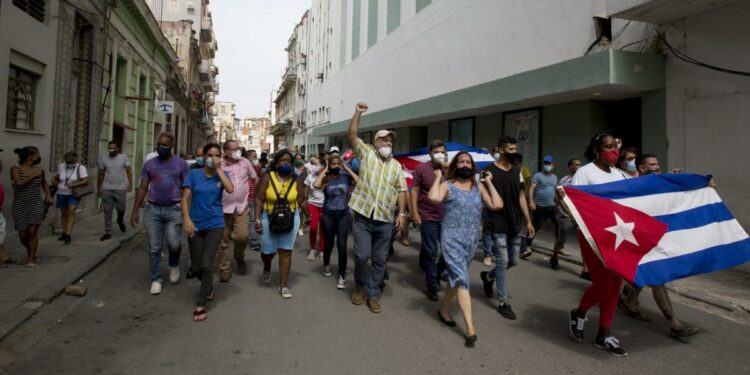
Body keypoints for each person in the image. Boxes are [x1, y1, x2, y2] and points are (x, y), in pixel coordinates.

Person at [617, 154, 699, 339]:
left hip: (655, 238)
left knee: (644, 272)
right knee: (657, 278)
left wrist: (678, 179)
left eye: (658, 163)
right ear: (643, 168)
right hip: (638, 238)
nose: (657, 166)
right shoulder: (633, 187)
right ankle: (674, 323)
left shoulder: (660, 182)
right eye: (652, 164)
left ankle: (630, 301)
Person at [429, 151, 503, 347]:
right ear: (455, 165)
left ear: (472, 167)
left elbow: (497, 204)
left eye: (468, 162)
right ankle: (470, 329)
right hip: (451, 239)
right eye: (461, 161)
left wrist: (489, 182)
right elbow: (434, 198)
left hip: (470, 241)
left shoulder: (478, 187)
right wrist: (438, 178)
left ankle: (443, 309)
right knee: (462, 280)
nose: (464, 164)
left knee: (456, 278)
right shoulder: (447, 185)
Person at [566, 133, 631, 356]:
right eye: (608, 146)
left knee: (615, 286)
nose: (613, 150)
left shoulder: (620, 174)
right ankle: (580, 312)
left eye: (615, 146)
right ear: (597, 149)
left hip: (619, 236)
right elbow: (575, 204)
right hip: (594, 237)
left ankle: (604, 334)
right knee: (603, 285)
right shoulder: (585, 173)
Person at [347, 102, 408, 314]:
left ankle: (373, 294)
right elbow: (353, 136)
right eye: (384, 139)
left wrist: (401, 213)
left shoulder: (396, 166)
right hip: (363, 216)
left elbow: (401, 190)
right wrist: (358, 114)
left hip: (384, 219)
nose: (388, 142)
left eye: (390, 140)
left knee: (381, 259)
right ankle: (360, 286)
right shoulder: (366, 153)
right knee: (362, 256)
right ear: (375, 142)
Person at [479, 136, 535, 320]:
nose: (514, 152)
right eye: (510, 149)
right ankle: (503, 302)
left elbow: (520, 197)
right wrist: (481, 223)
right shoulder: (487, 171)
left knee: (514, 261)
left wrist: (528, 221)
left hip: (514, 223)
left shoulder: (517, 171)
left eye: (515, 149)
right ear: (501, 150)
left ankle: (488, 277)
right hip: (497, 223)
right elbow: (483, 198)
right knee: (502, 261)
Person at [130, 132, 189, 295]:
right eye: (159, 144)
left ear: (172, 147)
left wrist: (187, 213)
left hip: (174, 209)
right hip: (153, 209)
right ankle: (156, 279)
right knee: (154, 247)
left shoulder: (181, 164)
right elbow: (142, 187)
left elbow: (187, 189)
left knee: (174, 243)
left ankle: (174, 264)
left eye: (165, 145)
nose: (161, 147)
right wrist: (134, 211)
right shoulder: (150, 164)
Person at [182, 143, 234, 322]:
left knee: (207, 264)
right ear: (203, 156)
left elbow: (230, 189)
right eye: (210, 155)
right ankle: (208, 287)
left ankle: (201, 303)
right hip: (195, 224)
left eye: (217, 155)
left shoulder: (222, 174)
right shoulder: (193, 174)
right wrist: (187, 219)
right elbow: (185, 199)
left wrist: (219, 170)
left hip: (215, 223)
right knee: (196, 267)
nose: (213, 158)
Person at [254, 149, 310, 298]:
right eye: (283, 161)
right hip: (269, 217)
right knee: (268, 251)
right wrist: (257, 219)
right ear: (277, 163)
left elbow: (301, 200)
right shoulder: (267, 177)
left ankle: (283, 285)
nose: (286, 163)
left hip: (290, 218)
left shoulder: (296, 180)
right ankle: (267, 265)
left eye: (288, 161)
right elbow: (259, 198)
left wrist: (308, 216)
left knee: (285, 251)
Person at [410, 139, 449, 301]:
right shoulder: (421, 168)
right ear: (430, 153)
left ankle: (437, 271)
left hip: (448, 217)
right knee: (432, 251)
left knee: (448, 252)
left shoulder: (451, 169)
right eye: (436, 152)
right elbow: (414, 191)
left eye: (442, 152)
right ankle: (432, 284)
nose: (439, 155)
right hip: (428, 216)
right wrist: (414, 212)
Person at [215, 140, 258, 282]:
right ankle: (224, 268)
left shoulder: (245, 162)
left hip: (242, 206)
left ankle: (239, 256)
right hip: (222, 208)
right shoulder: (219, 164)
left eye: (238, 148)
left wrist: (257, 194)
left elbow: (255, 178)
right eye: (234, 149)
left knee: (242, 236)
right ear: (226, 151)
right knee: (223, 240)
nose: (237, 151)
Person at [313, 154, 358, 289]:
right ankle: (326, 264)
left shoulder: (345, 176)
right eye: (333, 164)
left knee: (342, 245)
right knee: (328, 243)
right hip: (328, 215)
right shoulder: (325, 178)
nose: (336, 166)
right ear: (329, 165)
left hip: (343, 215)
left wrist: (347, 168)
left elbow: (360, 182)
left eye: (338, 164)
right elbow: (315, 185)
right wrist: (326, 168)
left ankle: (342, 275)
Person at [11, 147, 54, 268]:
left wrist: (49, 195)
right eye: (36, 154)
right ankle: (32, 251)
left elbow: (44, 182)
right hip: (20, 205)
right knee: (23, 235)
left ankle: (30, 258)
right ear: (29, 156)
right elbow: (18, 183)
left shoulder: (39, 170)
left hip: (36, 204)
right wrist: (33, 175)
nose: (38, 156)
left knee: (33, 231)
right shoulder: (15, 169)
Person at [527, 156, 564, 270]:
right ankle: (527, 245)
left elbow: (555, 191)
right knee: (535, 226)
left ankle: (559, 247)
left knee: (559, 225)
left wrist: (558, 203)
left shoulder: (554, 177)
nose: (547, 165)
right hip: (540, 206)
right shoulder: (538, 175)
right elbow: (532, 189)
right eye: (545, 163)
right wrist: (531, 202)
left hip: (552, 206)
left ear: (553, 165)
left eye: (549, 163)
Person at [98, 141, 133, 241]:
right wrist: (99, 187)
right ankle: (107, 231)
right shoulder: (104, 159)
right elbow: (101, 174)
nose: (111, 150)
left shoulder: (123, 158)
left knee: (121, 208)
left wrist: (130, 184)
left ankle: (120, 220)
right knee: (107, 210)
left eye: (113, 148)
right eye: (109, 148)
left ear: (118, 148)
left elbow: (128, 171)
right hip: (107, 188)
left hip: (120, 188)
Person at [52, 151, 88, 245]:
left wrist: (74, 184)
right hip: (61, 192)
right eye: (68, 162)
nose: (69, 164)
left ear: (75, 160)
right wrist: (53, 180)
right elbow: (57, 177)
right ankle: (64, 233)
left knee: (71, 211)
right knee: (63, 213)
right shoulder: (61, 166)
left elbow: (85, 181)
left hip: (73, 193)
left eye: (71, 162)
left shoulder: (80, 168)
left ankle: (68, 235)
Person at [304, 158, 326, 260]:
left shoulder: (328, 177)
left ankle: (321, 251)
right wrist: (304, 207)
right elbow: (305, 193)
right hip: (312, 205)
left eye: (318, 164)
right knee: (313, 228)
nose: (316, 166)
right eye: (314, 164)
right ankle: (312, 250)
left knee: (323, 229)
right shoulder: (310, 177)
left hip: (325, 206)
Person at [244, 149, 262, 252]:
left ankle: (254, 242)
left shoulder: (256, 167)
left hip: (253, 197)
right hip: (244, 198)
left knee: (252, 220)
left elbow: (258, 177)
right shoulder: (243, 167)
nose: (255, 159)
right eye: (253, 157)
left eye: (256, 156)